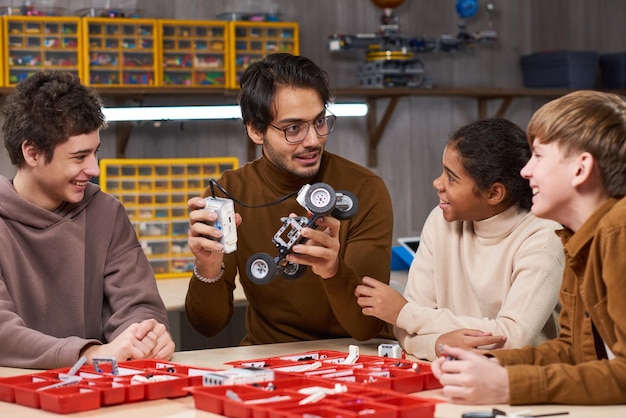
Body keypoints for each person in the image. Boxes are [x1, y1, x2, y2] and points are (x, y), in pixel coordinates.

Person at [432, 90, 626, 405]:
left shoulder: (619, 233)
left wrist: (511, 385)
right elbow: (574, 351)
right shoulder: (577, 236)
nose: (525, 171)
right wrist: (492, 365)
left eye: (539, 156)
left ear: (580, 169)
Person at [185, 53, 393, 344]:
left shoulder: (364, 189)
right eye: (293, 128)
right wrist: (207, 268)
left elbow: (365, 328)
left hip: (354, 357)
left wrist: (333, 272)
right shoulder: (227, 194)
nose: (313, 140)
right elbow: (208, 325)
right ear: (256, 130)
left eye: (320, 121)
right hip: (268, 356)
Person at [0, 70, 174, 369]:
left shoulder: (107, 214)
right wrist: (89, 354)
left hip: (95, 392)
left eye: (96, 152)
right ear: (32, 153)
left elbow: (138, 305)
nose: (94, 169)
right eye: (79, 157)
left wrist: (146, 336)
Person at [355, 118, 564, 361]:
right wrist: (438, 345)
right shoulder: (440, 220)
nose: (437, 183)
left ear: (494, 193)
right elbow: (404, 330)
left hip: (525, 383)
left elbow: (511, 338)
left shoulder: (544, 237)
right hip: (454, 374)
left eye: (451, 177)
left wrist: (405, 313)